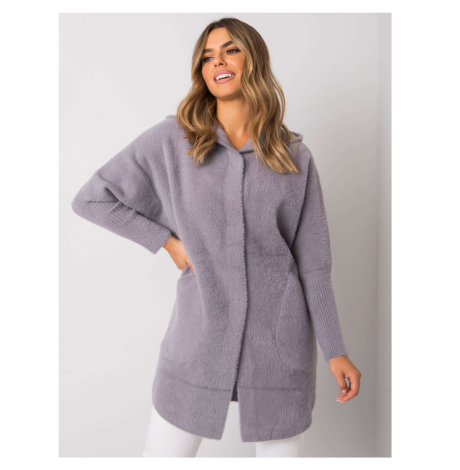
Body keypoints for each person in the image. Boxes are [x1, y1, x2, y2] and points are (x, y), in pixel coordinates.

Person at [71, 17, 361, 458]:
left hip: (280, 348)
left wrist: (335, 350)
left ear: (253, 59)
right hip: (196, 341)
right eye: (207, 57)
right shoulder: (173, 141)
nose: (218, 63)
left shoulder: (294, 156)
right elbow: (92, 199)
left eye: (230, 50)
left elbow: (315, 264)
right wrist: (166, 242)